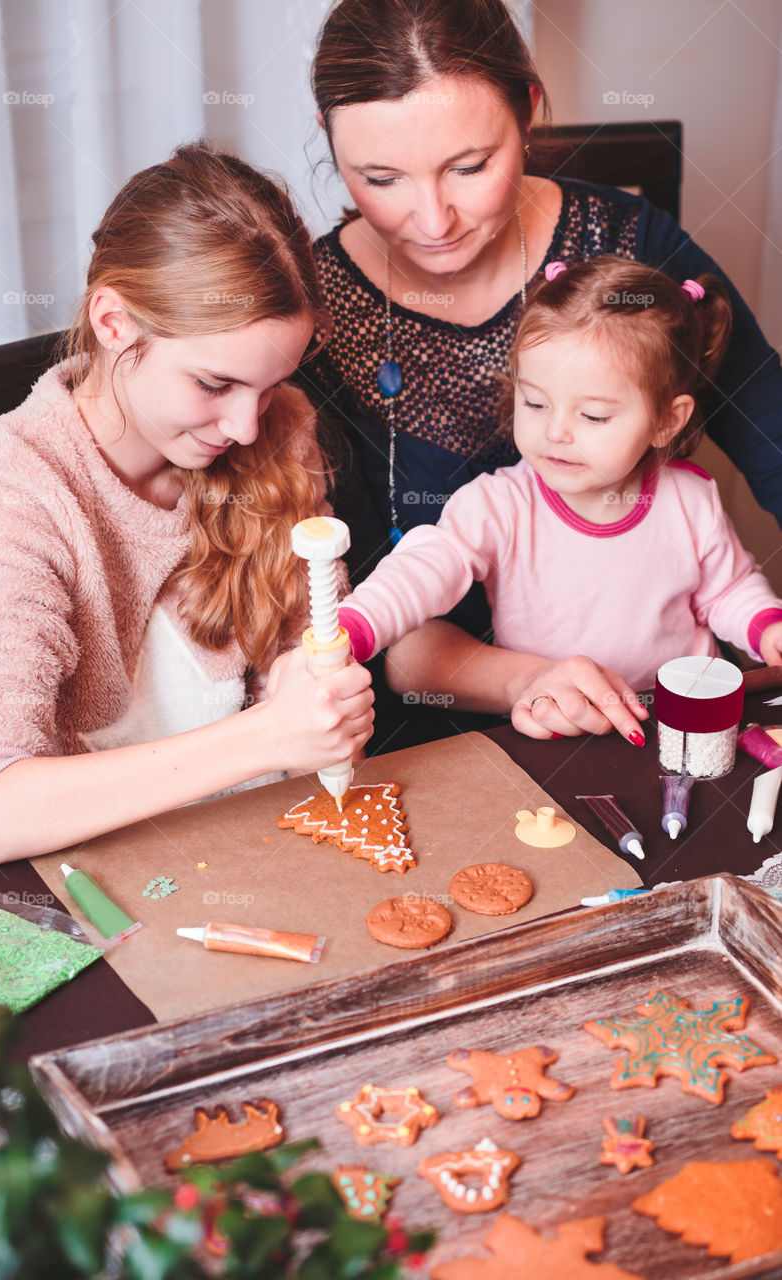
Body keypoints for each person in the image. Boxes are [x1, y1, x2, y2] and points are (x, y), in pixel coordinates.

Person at [306, 0, 782, 743]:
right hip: (445, 727)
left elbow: (772, 437)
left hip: (662, 715)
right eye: (381, 176)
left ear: (528, 109)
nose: (432, 222)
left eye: (469, 167)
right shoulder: (310, 320)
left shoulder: (627, 248)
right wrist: (530, 680)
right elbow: (382, 617)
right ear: (327, 138)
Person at [0, 141, 373, 869]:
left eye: (268, 385)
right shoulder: (11, 489)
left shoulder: (279, 429)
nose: (246, 427)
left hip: (264, 853)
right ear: (113, 323)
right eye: (213, 383)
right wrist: (267, 736)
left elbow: (301, 660)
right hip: (94, 888)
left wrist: (316, 696)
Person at [335, 257, 782, 736]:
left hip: (679, 725)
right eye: (535, 403)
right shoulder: (498, 505)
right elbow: (425, 568)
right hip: (556, 727)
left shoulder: (692, 499)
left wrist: (767, 627)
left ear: (666, 421)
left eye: (592, 416)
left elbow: (729, 590)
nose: (554, 432)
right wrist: (356, 627)